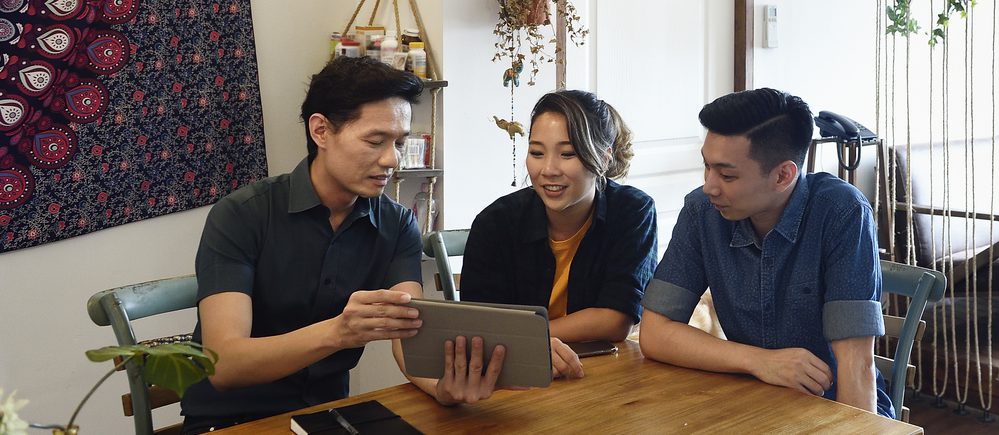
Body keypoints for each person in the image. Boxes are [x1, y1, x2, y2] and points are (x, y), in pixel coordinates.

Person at [181, 57, 507, 434]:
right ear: (321, 131)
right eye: (375, 141)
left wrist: (444, 388)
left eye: (400, 142)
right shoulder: (242, 215)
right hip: (229, 422)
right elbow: (224, 365)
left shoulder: (397, 224)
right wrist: (338, 332)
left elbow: (407, 335)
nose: (392, 160)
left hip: (330, 416)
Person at [638, 88, 895, 418]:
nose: (709, 186)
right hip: (751, 397)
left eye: (727, 174)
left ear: (783, 175)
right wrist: (758, 360)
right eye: (707, 167)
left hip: (832, 406)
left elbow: (856, 365)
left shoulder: (842, 214)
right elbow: (655, 333)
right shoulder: (702, 211)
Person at [461, 90, 657, 378]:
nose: (549, 170)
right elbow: (481, 328)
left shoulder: (632, 211)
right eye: (537, 153)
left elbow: (616, 320)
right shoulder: (495, 222)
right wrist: (525, 344)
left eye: (567, 154)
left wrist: (525, 337)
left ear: (603, 159)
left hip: (602, 369)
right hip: (515, 372)